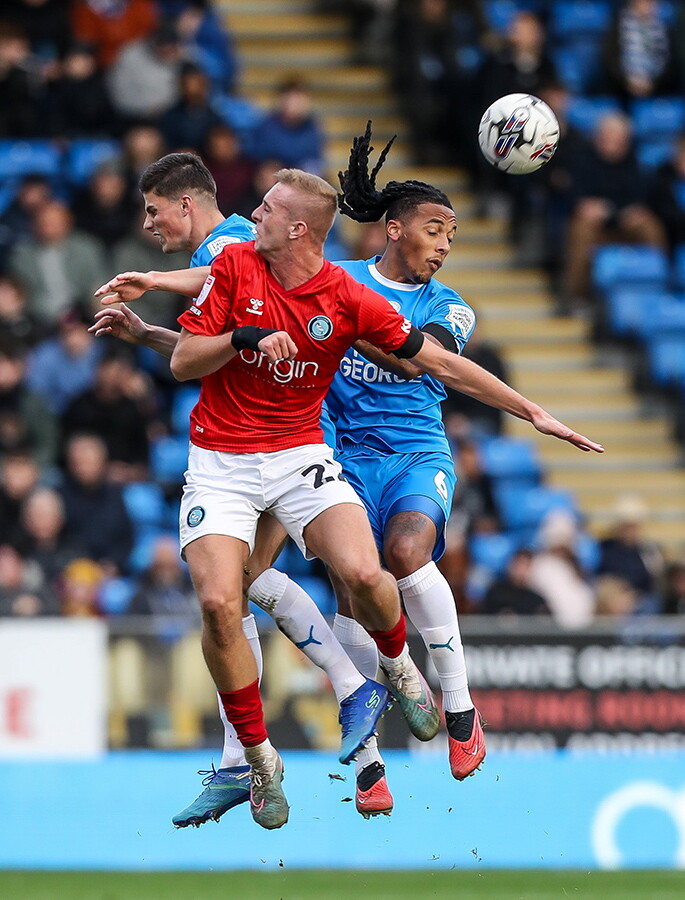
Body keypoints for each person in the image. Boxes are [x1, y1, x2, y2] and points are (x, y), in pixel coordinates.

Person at [94, 164, 603, 828]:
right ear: (392, 230)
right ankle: (284, 755)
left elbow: (434, 360)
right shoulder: (250, 264)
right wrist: (169, 304)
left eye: (266, 209)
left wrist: (531, 411)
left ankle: (434, 693)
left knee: (384, 564)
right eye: (435, 229)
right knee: (230, 596)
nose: (253, 217)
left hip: (352, 451)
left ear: (297, 228)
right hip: (258, 459)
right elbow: (195, 351)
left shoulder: (375, 297)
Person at [91, 152, 395, 828]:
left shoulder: (237, 242)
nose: (149, 224)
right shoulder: (236, 249)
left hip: (284, 439)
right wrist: (148, 333)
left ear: (188, 204)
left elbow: (228, 293)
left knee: (249, 587)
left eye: (154, 211)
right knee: (236, 593)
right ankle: (317, 750)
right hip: (261, 432)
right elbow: (220, 351)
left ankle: (331, 713)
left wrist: (155, 281)